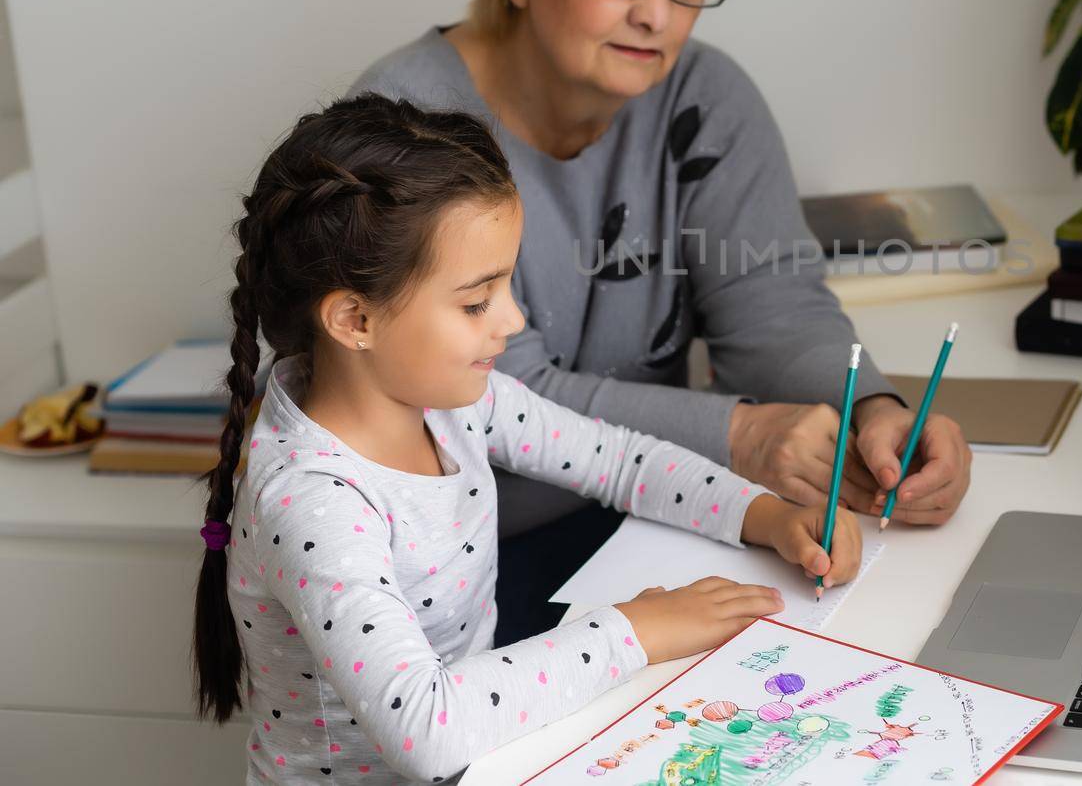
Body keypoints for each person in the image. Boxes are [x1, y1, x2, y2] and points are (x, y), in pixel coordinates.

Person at [349, 0, 970, 641]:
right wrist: (741, 435)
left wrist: (874, 413)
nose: (657, 13)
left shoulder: (706, 98)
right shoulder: (405, 126)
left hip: (658, 516)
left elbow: (775, 305)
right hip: (458, 572)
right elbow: (501, 397)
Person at [191, 94, 862, 784]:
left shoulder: (448, 400)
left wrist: (764, 514)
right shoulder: (314, 504)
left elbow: (618, 459)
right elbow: (427, 729)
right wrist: (637, 631)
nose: (511, 319)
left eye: (508, 284)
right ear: (355, 318)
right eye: (477, 300)